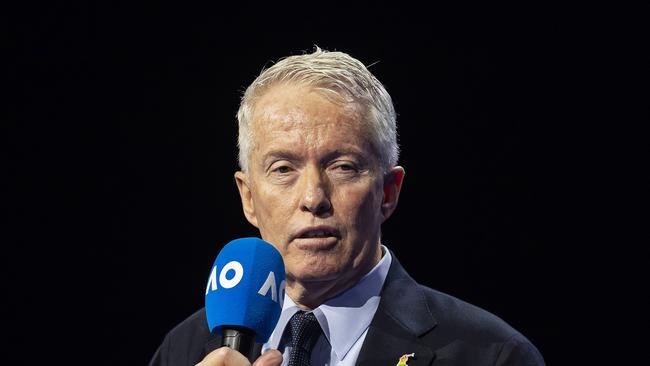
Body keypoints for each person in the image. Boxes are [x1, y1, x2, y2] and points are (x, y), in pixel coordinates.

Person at [149, 47, 545, 366]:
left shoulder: (491, 355)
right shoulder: (186, 350)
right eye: (283, 168)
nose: (313, 199)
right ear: (248, 197)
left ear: (388, 191)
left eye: (342, 167)